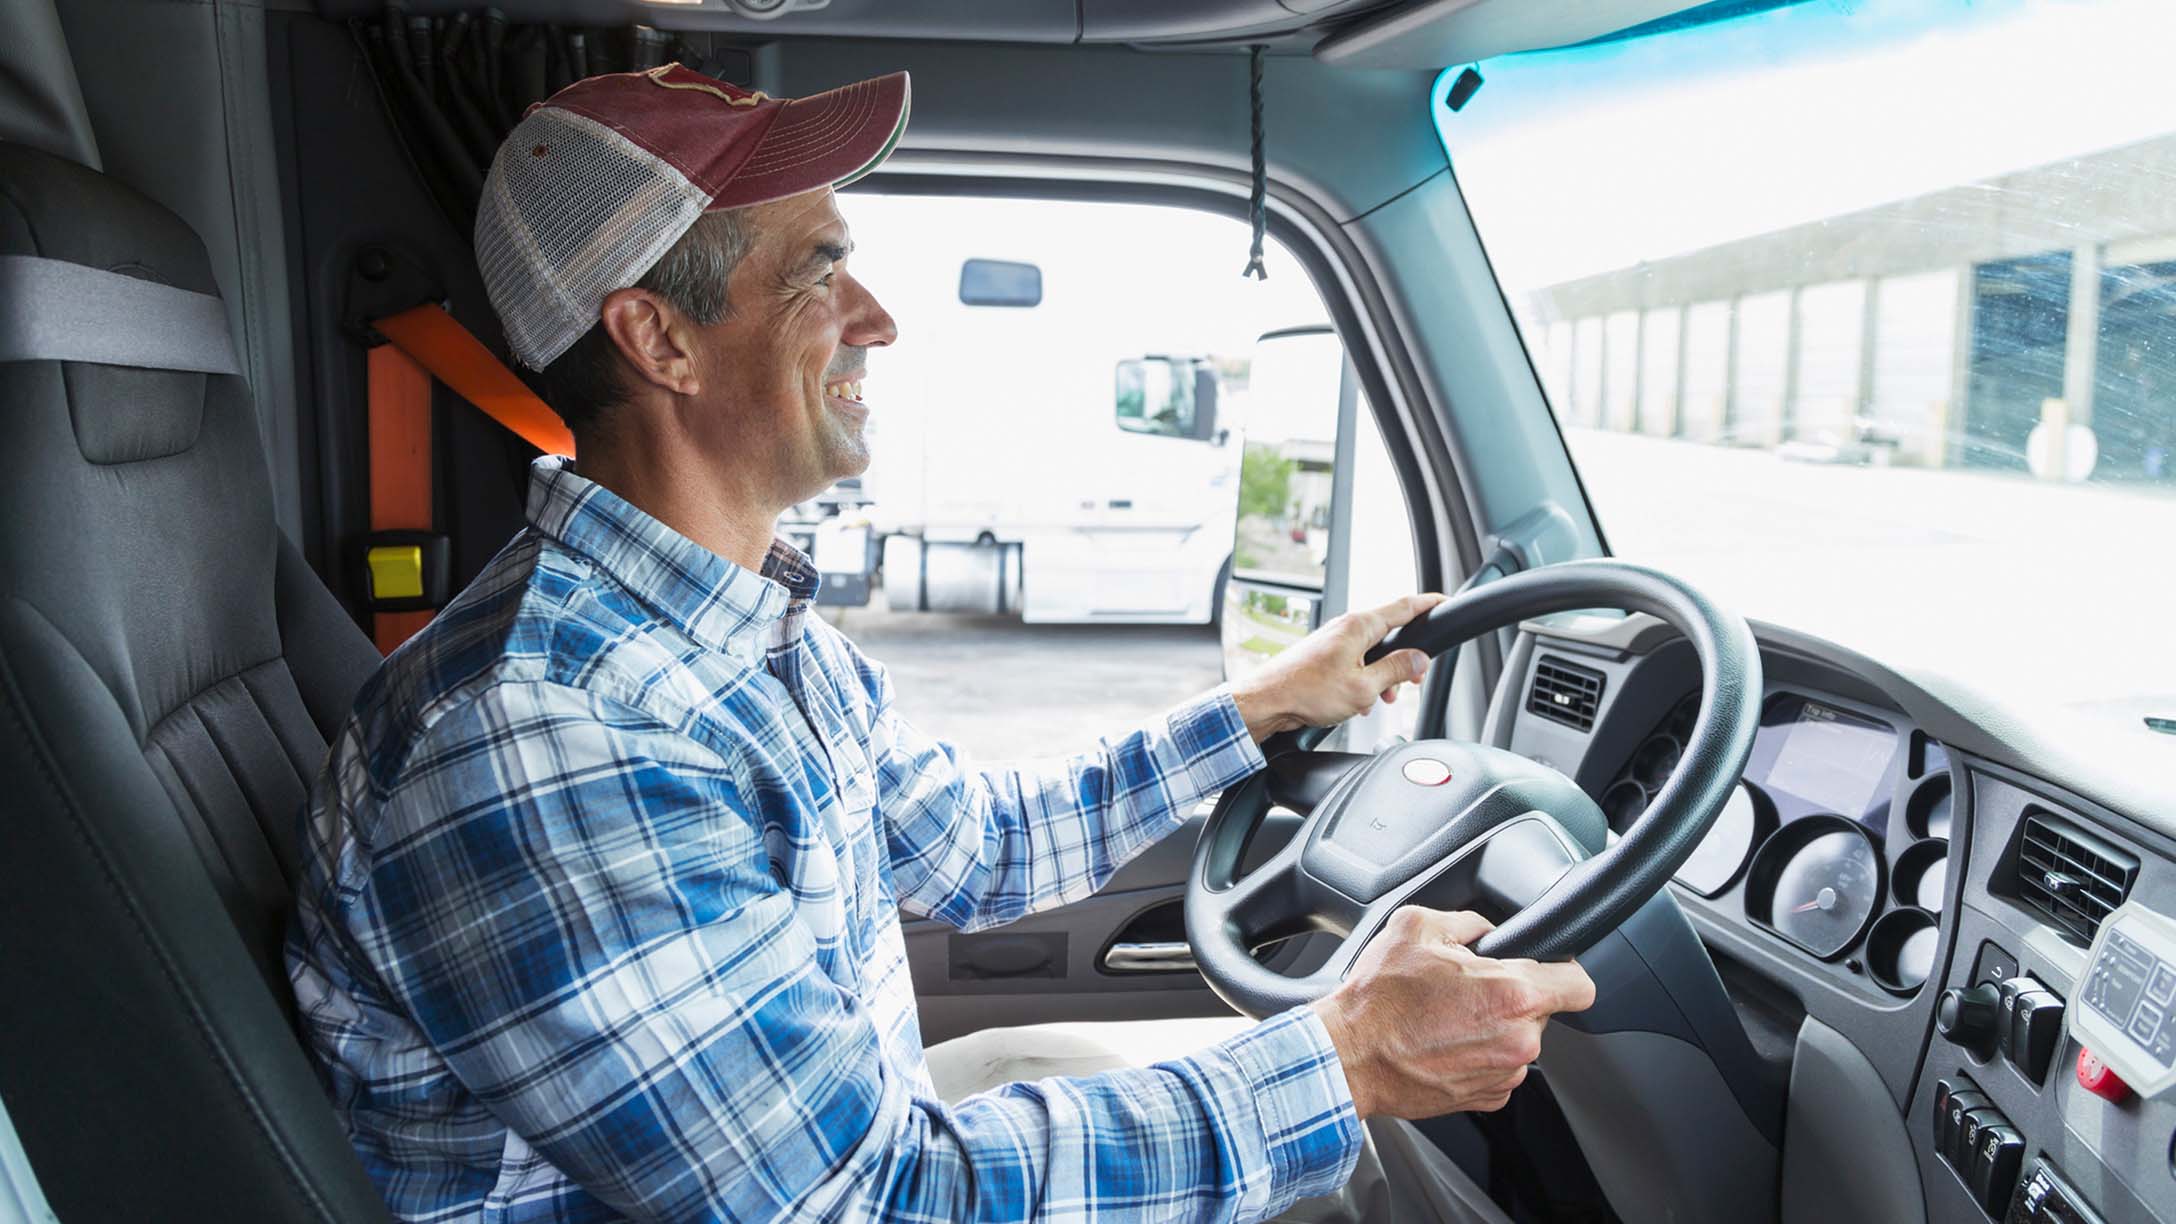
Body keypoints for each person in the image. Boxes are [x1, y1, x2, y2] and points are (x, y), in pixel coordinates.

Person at [285, 63, 1596, 1223]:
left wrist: (1261, 707)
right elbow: (870, 1204)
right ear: (660, 338)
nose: (878, 319)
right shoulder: (549, 740)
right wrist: (1349, 1058)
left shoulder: (742, 638)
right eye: (816, 272)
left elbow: (979, 847)